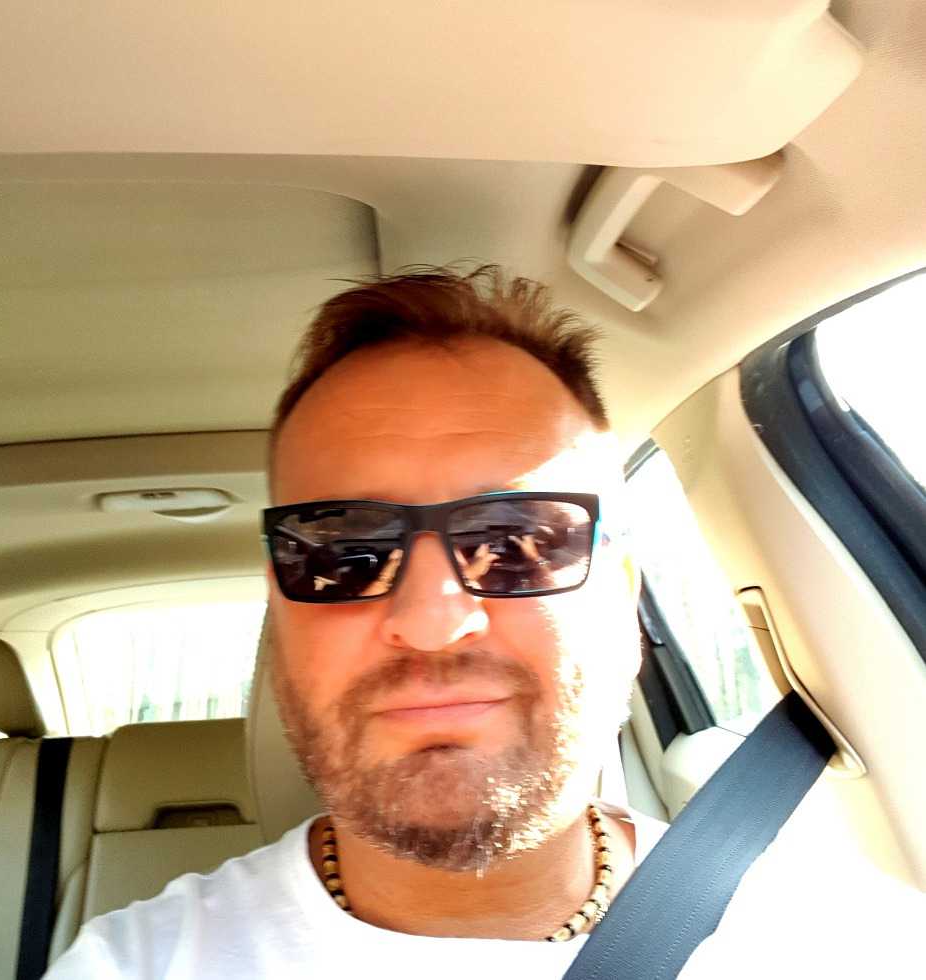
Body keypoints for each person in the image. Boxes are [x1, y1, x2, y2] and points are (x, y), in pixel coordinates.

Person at [46, 267, 922, 979]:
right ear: (280, 618)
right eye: (343, 553)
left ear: (622, 599)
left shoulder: (848, 946)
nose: (432, 622)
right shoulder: (134, 965)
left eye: (517, 542)